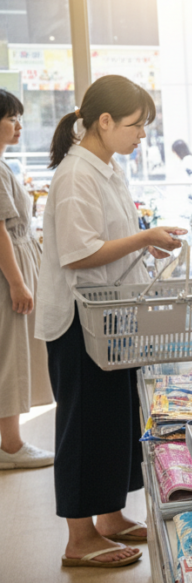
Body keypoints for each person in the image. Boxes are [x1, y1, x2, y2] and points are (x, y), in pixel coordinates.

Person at [36, 75, 187, 568]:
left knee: (114, 421)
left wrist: (146, 236)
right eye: (135, 125)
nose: (142, 134)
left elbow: (110, 236)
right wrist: (145, 240)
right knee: (83, 426)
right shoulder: (76, 175)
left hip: (110, 316)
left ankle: (110, 517)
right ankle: (78, 540)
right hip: (80, 319)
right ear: (104, 122)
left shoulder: (105, 166)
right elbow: (79, 254)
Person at [0, 89, 53, 470]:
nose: (19, 125)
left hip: (18, 260)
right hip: (9, 269)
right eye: (11, 118)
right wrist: (17, 283)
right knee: (11, 355)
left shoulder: (5, 165)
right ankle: (12, 445)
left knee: (13, 353)